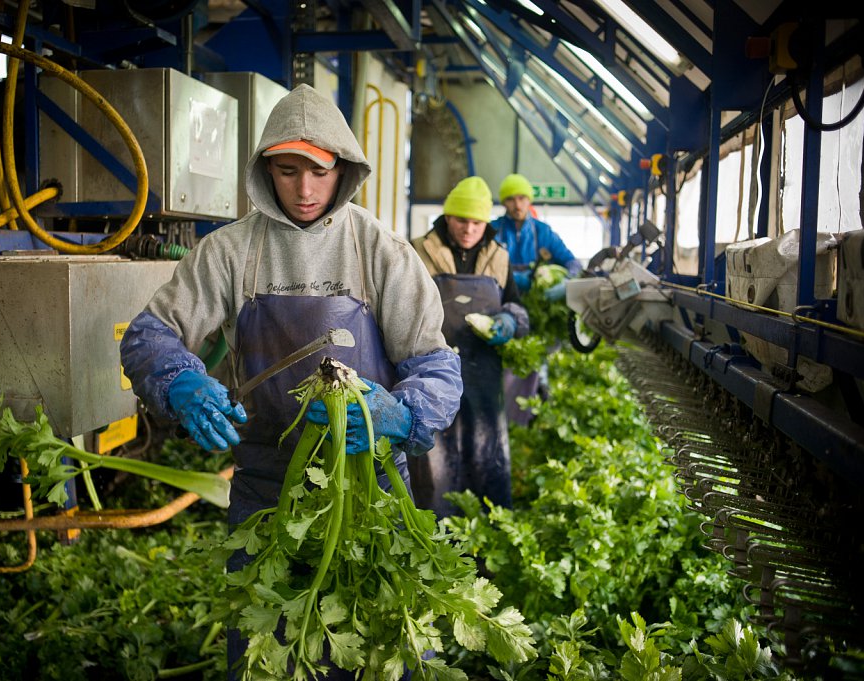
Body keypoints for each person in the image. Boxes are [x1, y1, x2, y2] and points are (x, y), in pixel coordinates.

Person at [120, 84, 462, 679]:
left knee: (378, 653)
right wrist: (177, 379)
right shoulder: (227, 253)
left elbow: (435, 367)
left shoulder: (382, 252)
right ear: (264, 171)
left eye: (320, 172)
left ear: (344, 170)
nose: (304, 190)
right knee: (266, 656)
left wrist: (401, 415)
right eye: (287, 171)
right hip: (266, 496)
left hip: (370, 494)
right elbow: (150, 335)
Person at [407, 177, 528, 518]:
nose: (468, 229)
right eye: (462, 220)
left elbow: (516, 306)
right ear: (448, 217)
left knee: (485, 453)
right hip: (429, 374)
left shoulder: (499, 257)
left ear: (486, 223)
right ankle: (434, 537)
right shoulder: (416, 252)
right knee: (433, 462)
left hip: (483, 376)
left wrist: (509, 320)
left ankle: (486, 544)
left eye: (477, 222)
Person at [492, 174, 581, 425]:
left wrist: (567, 282)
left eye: (521, 198)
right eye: (510, 199)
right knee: (506, 368)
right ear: (504, 203)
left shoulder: (543, 232)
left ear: (528, 199)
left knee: (535, 364)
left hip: (538, 311)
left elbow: (572, 262)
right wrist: (515, 280)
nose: (517, 204)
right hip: (503, 306)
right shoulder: (494, 230)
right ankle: (504, 418)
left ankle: (532, 415)